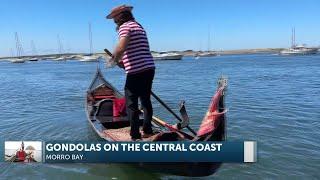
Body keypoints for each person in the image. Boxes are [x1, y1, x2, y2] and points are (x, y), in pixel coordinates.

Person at [106, 5, 156, 140]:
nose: (114, 21)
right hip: (149, 68)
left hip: (136, 70)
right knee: (146, 100)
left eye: (114, 18)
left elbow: (121, 47)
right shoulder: (138, 26)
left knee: (131, 103)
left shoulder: (125, 27)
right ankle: (147, 130)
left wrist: (113, 60)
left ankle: (135, 135)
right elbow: (136, 49)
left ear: (120, 16)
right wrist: (123, 62)